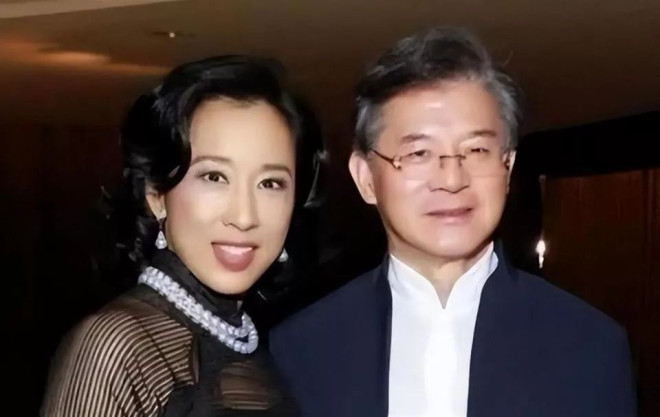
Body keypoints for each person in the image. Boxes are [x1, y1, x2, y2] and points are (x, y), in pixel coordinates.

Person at [270, 27, 637, 417]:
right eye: (419, 153)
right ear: (366, 178)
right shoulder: (299, 348)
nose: (451, 179)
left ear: (508, 167)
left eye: (476, 150)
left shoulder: (589, 344)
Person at [41, 55, 324, 416]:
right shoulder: (114, 344)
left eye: (270, 183)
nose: (244, 217)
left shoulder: (263, 350)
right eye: (214, 177)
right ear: (156, 194)